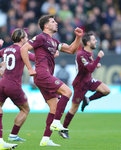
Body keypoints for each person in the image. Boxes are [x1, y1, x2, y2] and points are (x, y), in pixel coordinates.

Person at [20, 14, 83, 146]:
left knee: (54, 107)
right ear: (46, 26)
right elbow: (24, 49)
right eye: (53, 22)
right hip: (42, 74)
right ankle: (56, 123)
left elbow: (72, 50)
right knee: (68, 92)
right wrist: (30, 68)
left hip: (44, 76)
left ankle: (45, 139)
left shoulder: (54, 42)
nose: (56, 23)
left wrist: (78, 37)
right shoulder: (40, 37)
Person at [60, 33, 110, 139]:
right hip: (80, 84)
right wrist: (99, 58)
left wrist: (95, 64)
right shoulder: (81, 54)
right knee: (74, 108)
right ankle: (63, 129)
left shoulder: (90, 51)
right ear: (88, 43)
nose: (96, 41)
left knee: (106, 90)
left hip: (89, 80)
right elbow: (90, 68)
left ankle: (87, 99)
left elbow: (90, 66)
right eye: (94, 40)